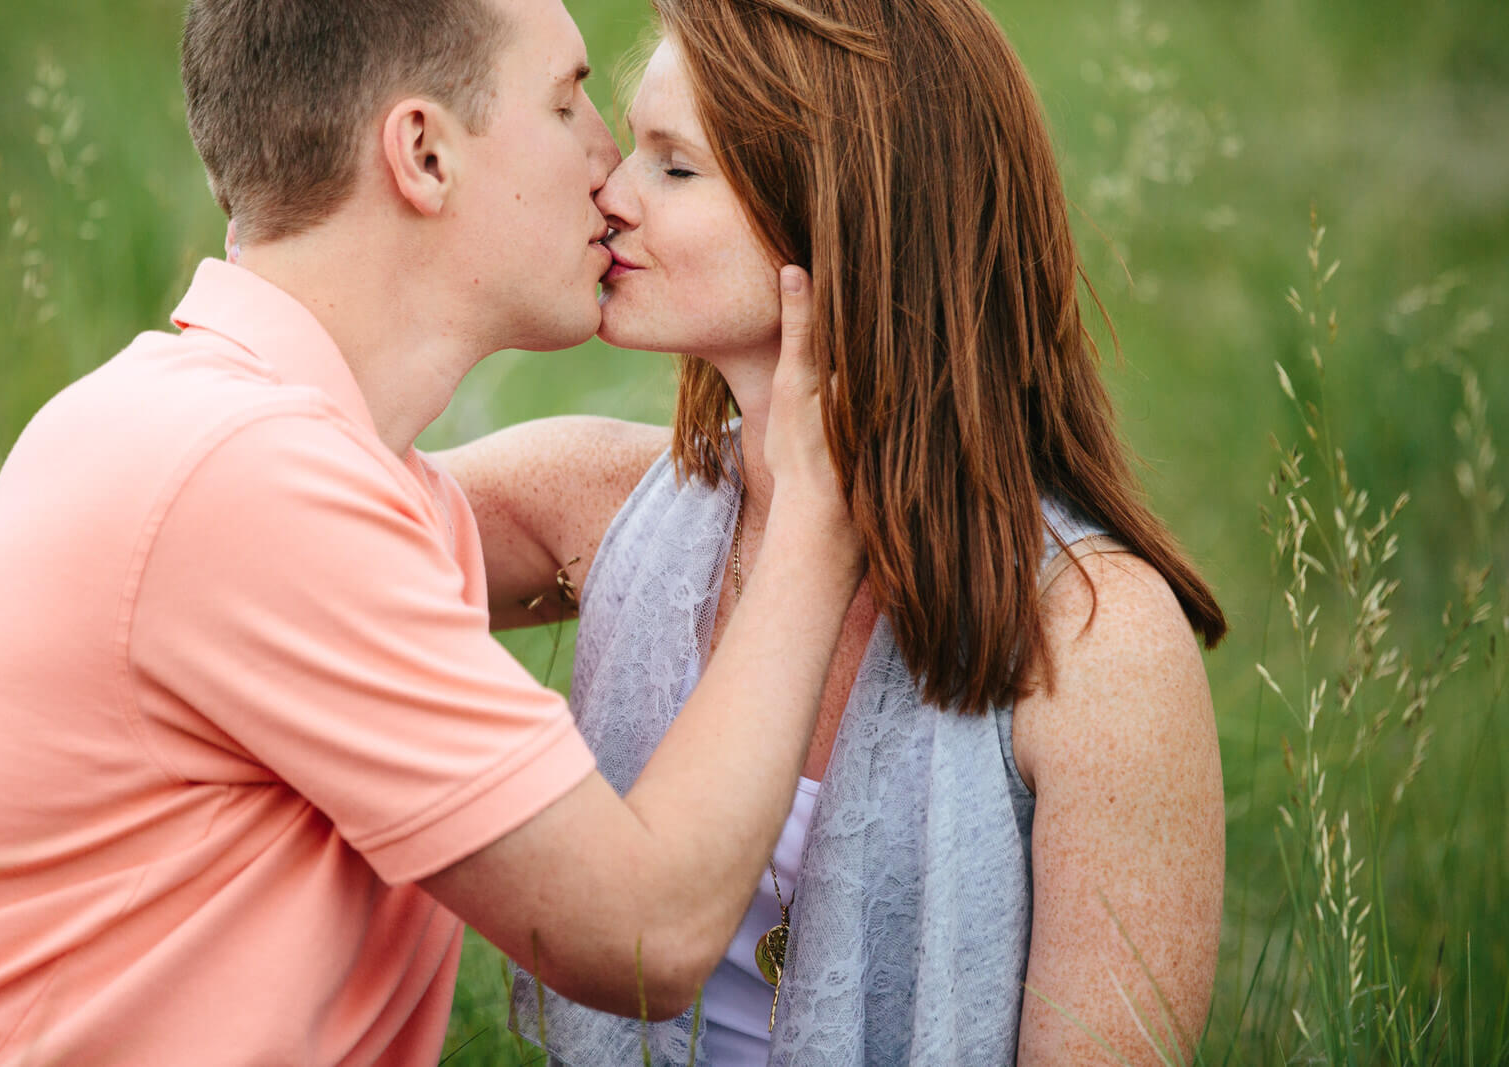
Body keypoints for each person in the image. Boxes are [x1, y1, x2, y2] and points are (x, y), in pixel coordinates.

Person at [0, 0, 864, 1062]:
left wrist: (893, 471)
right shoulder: (244, 479)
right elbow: (646, 931)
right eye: (564, 104)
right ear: (422, 153)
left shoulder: (257, 446)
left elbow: (575, 504)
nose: (605, 164)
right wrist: (809, 523)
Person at [446, 0, 1228, 1062]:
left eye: (674, 168)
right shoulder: (602, 502)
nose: (612, 196)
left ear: (843, 216)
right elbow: (280, 512)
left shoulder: (1096, 643)